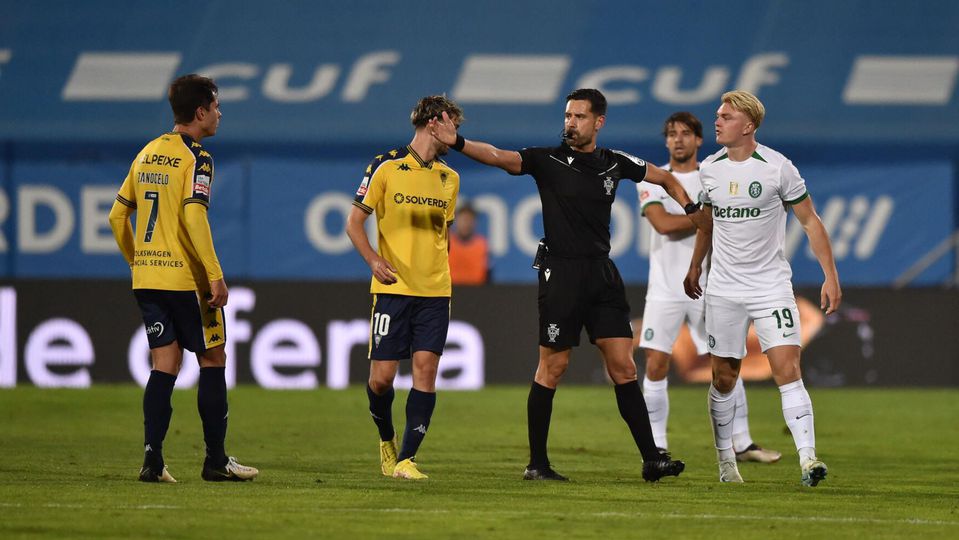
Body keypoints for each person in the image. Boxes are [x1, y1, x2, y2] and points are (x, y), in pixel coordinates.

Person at [429, 88, 708, 482]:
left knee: (624, 367)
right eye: (567, 116)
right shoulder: (547, 160)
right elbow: (497, 156)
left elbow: (663, 177)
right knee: (553, 365)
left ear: (599, 122)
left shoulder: (615, 163)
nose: (570, 123)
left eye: (578, 117)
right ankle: (537, 464)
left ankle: (652, 458)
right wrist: (456, 142)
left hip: (601, 274)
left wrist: (692, 210)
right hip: (561, 274)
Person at [684, 90, 841, 486]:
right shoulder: (709, 169)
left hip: (770, 286)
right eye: (717, 115)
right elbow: (707, 223)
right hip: (723, 288)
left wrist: (830, 275)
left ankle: (808, 459)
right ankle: (725, 462)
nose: (716, 122)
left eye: (725, 116)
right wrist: (695, 267)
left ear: (748, 125)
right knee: (723, 377)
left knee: (787, 370)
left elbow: (810, 222)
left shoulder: (777, 167)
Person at [108, 74, 258, 483]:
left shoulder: (147, 152)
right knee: (213, 358)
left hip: (148, 278)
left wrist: (137, 261)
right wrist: (215, 276)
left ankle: (152, 461)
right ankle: (215, 460)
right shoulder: (198, 158)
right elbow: (194, 214)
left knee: (165, 364)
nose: (220, 113)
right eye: (217, 106)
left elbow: (117, 215)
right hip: (186, 282)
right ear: (200, 112)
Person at [636, 112, 780, 463]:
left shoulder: (714, 173)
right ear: (666, 141)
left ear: (699, 140)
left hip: (710, 285)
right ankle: (656, 445)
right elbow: (663, 225)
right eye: (671, 134)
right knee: (655, 363)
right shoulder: (653, 179)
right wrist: (707, 216)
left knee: (727, 361)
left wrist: (712, 217)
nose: (678, 140)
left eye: (686, 133)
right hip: (664, 289)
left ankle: (742, 443)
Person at [346, 95, 463, 480]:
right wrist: (373, 261)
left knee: (425, 371)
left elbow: (439, 234)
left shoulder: (450, 178)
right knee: (381, 379)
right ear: (434, 123)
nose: (455, 135)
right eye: (452, 126)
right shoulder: (385, 167)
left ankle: (406, 460)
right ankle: (386, 437)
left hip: (435, 291)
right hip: (393, 289)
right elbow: (354, 223)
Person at [449, 201, 490, 285]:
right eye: (463, 219)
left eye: (469, 220)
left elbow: (488, 274)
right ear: (456, 220)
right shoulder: (446, 241)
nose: (466, 223)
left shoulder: (482, 245)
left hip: (476, 292)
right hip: (450, 291)